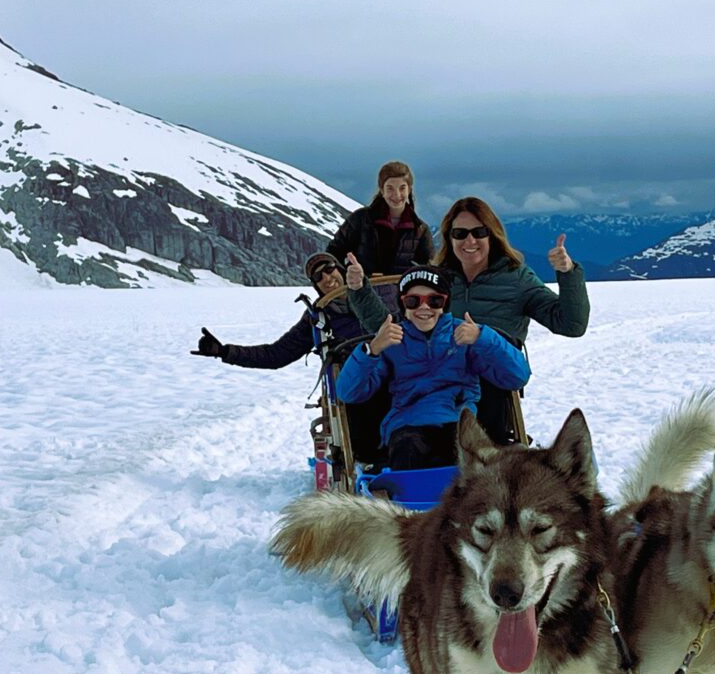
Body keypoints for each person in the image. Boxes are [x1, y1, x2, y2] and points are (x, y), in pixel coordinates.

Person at [347, 196, 590, 444]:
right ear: (449, 238)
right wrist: (359, 290)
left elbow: (571, 324)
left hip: (492, 383)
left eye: (478, 232)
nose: (469, 241)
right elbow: (396, 329)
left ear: (492, 235)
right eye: (460, 233)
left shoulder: (516, 279)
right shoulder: (438, 280)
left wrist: (568, 273)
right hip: (436, 378)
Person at [191, 251, 388, 463]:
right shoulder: (318, 318)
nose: (327, 279)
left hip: (396, 372)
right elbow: (276, 354)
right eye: (318, 277)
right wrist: (224, 351)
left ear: (340, 268)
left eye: (329, 270)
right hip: (355, 387)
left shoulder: (382, 295)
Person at [337, 266, 530, 470]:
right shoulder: (391, 341)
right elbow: (348, 393)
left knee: (463, 453)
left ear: (444, 303)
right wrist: (371, 350)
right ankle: (409, 498)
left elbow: (517, 377)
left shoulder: (466, 335)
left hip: (460, 421)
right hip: (408, 424)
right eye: (413, 301)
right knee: (408, 449)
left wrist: (483, 338)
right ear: (403, 306)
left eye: (434, 300)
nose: (424, 307)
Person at [326, 160, 435, 309]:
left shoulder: (420, 230)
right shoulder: (360, 220)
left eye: (402, 188)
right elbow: (333, 253)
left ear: (409, 189)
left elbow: (428, 269)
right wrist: (348, 278)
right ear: (381, 190)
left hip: (402, 303)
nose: (396, 194)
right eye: (390, 188)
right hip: (361, 298)